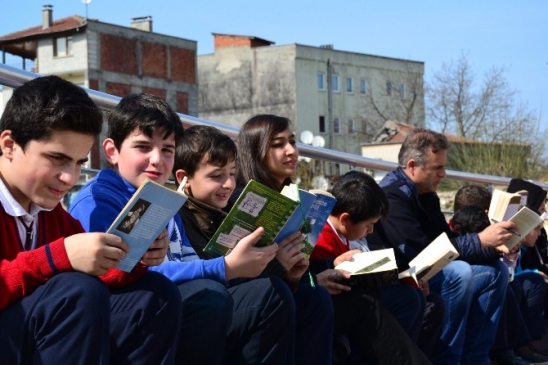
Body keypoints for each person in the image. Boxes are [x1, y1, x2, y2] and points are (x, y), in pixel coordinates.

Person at [69, 94, 295, 364]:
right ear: (112, 151)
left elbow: (187, 261)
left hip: (168, 301)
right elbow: (119, 273)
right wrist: (225, 267)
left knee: (273, 293)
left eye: (167, 150)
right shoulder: (97, 199)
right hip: (124, 311)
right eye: (143, 147)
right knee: (210, 299)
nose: (157, 160)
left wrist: (253, 264)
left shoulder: (161, 198)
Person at [0, 76, 182, 364]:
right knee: (76, 291)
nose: (70, 178)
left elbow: (103, 276)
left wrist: (135, 255)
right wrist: (59, 256)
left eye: (78, 163)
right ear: (9, 145)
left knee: (157, 296)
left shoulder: (51, 213)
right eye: (57, 159)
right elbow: (61, 271)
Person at [235, 114, 432, 364]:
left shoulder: (293, 197)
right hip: (275, 300)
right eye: (278, 144)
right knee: (362, 305)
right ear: (255, 151)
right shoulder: (246, 201)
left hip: (298, 291)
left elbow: (301, 263)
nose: (290, 151)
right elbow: (251, 275)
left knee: (398, 300)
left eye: (293, 142)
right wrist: (313, 279)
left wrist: (333, 265)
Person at [174, 124, 332, 364]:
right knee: (271, 293)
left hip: (238, 300)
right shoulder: (178, 217)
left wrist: (290, 271)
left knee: (314, 298)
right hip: (202, 311)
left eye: (232, 173)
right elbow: (214, 283)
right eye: (216, 176)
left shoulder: (230, 211)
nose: (228, 184)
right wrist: (276, 268)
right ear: (183, 178)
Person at [367, 128, 517, 365]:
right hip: (403, 278)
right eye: (438, 168)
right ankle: (447, 360)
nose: (444, 174)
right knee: (459, 273)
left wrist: (495, 246)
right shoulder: (391, 197)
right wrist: (480, 240)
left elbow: (447, 240)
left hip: (426, 274)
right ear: (413, 165)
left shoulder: (426, 195)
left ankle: (476, 360)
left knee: (495, 272)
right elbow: (420, 255)